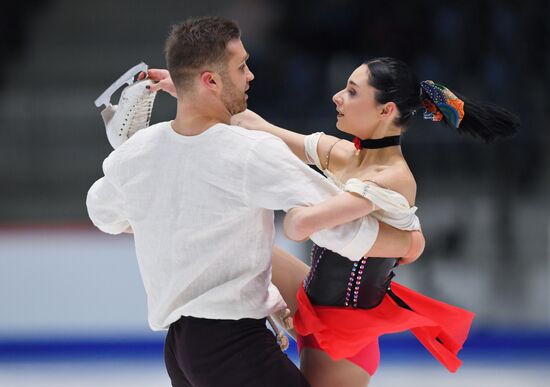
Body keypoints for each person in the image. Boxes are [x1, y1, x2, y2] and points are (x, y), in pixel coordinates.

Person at [86, 18, 422, 387]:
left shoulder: (138, 154)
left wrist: (157, 205)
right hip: (233, 348)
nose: (250, 76)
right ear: (211, 81)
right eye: (241, 66)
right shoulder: (251, 155)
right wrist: (407, 241)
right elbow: (341, 231)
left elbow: (102, 212)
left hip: (181, 352)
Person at [229, 57, 520, 386]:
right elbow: (256, 126)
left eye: (352, 92)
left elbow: (298, 227)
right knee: (242, 246)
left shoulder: (391, 178)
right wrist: (187, 88)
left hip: (344, 342)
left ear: (386, 110)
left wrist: (406, 240)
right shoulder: (346, 155)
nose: (337, 97)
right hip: (315, 306)